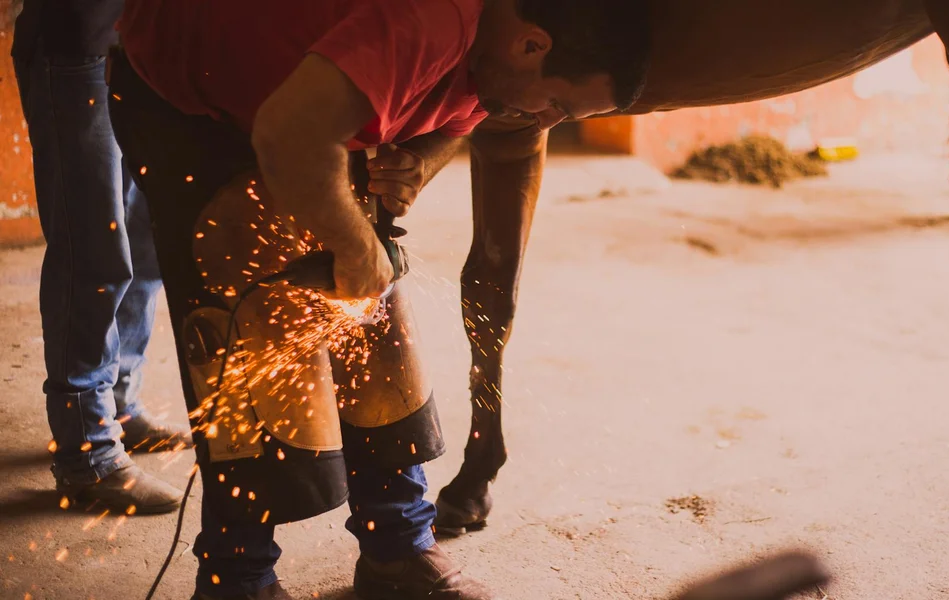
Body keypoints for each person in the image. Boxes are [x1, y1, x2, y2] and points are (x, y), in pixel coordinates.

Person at [106, 0, 651, 598]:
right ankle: (236, 578)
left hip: (305, 101)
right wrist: (353, 246)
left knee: (373, 317)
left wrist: (419, 160)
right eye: (558, 105)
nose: (543, 121)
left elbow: (465, 114)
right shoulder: (429, 23)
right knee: (253, 329)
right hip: (194, 103)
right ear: (533, 45)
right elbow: (287, 133)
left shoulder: (499, 58)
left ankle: (399, 546)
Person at [9, 0, 192, 514]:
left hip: (143, 53)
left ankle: (119, 405)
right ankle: (87, 451)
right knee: (92, 250)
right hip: (76, 48)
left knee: (145, 243)